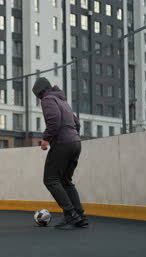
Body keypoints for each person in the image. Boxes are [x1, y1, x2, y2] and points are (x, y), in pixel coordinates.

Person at [32, 77, 88, 230]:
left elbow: (54, 121)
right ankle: (80, 216)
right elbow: (77, 123)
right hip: (76, 143)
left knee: (50, 179)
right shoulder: (62, 101)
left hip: (63, 144)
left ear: (40, 93)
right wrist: (72, 137)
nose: (39, 99)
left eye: (38, 96)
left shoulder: (47, 100)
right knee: (66, 180)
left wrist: (46, 139)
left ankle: (70, 215)